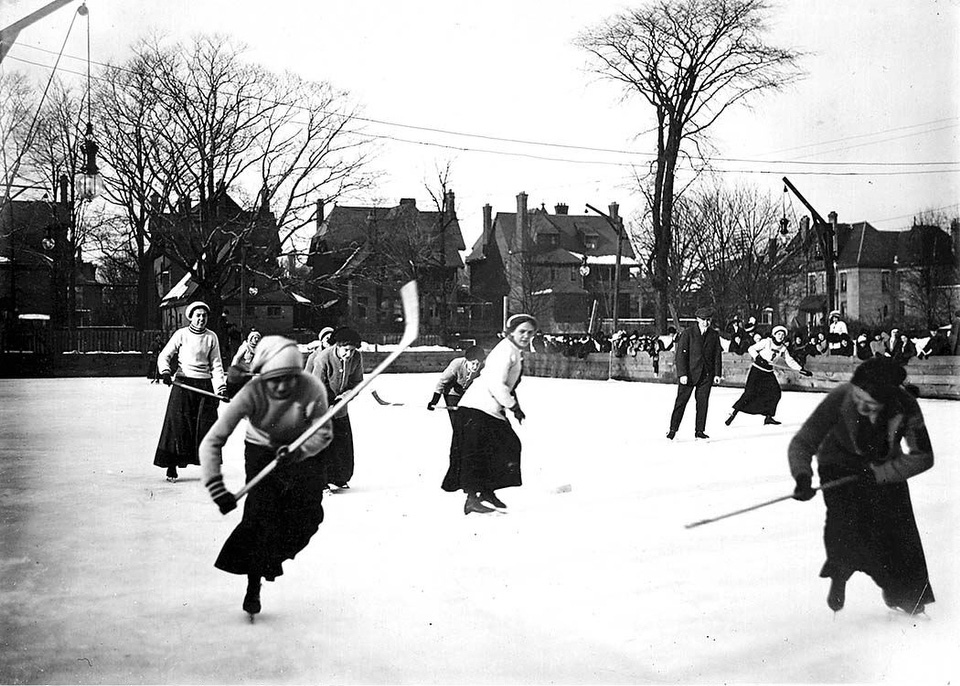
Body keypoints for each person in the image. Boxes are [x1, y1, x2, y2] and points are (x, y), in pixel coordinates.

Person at [199, 336, 334, 619]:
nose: (282, 386)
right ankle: (254, 582)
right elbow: (212, 441)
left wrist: (299, 452)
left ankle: (269, 560)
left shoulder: (311, 388)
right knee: (261, 520)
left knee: (309, 518)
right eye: (274, 379)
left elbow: (323, 433)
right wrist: (217, 488)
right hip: (260, 451)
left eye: (289, 378)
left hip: (298, 452)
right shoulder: (252, 392)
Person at [788, 357, 935, 615]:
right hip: (838, 464)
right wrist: (802, 476)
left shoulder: (906, 406)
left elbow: (923, 456)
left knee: (900, 530)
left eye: (869, 404)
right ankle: (839, 576)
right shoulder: (841, 396)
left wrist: (879, 474)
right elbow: (803, 442)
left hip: (883, 467)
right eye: (858, 399)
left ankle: (908, 595)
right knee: (846, 524)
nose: (860, 406)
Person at [452, 314, 534, 514]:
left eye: (530, 332)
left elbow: (508, 385)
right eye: (522, 331)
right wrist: (513, 407)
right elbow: (497, 384)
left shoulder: (513, 350)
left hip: (487, 408)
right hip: (478, 407)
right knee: (489, 450)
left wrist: (515, 405)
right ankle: (473, 498)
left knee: (501, 448)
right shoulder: (505, 351)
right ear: (511, 331)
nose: (526, 336)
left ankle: (486, 490)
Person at [153, 301, 227, 482]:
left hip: (204, 386)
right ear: (191, 317)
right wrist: (165, 372)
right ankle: (171, 466)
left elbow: (217, 365)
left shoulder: (211, 337)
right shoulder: (181, 334)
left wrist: (221, 388)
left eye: (204, 316)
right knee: (177, 426)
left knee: (206, 427)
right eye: (198, 315)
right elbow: (164, 356)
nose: (201, 319)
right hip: (183, 385)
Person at [725, 326, 812, 427]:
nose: (781, 336)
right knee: (749, 393)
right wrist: (758, 357)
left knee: (776, 393)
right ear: (774, 334)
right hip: (757, 370)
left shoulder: (783, 348)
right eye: (779, 334)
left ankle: (769, 417)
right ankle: (733, 413)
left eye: (783, 335)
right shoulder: (767, 342)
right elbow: (751, 348)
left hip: (768, 372)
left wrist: (801, 369)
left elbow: (790, 360)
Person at [310, 326, 363, 491]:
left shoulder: (356, 357)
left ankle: (339, 478)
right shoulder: (322, 358)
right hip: (320, 408)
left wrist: (347, 395)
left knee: (342, 445)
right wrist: (329, 403)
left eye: (352, 351)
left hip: (340, 410)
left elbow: (357, 382)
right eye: (346, 350)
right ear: (338, 346)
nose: (349, 354)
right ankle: (321, 481)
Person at [433, 345, 486, 495]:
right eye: (473, 363)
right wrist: (434, 400)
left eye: (478, 364)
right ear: (466, 360)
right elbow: (442, 382)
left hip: (469, 396)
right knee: (460, 432)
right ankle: (455, 477)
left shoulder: (484, 368)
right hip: (452, 395)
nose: (475, 367)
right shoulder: (457, 364)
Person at [667, 307, 722, 440]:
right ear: (697, 320)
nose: (706, 322)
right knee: (681, 402)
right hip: (690, 375)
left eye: (708, 320)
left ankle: (700, 430)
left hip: (706, 375)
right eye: (703, 320)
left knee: (702, 403)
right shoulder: (688, 333)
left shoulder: (714, 335)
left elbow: (717, 356)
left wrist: (717, 374)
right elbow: (680, 356)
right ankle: (673, 429)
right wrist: (682, 374)